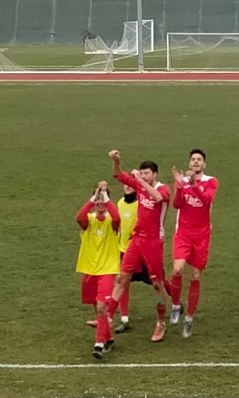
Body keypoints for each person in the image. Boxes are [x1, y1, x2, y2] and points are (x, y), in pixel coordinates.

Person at [105, 150, 172, 343]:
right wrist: (116, 161)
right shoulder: (140, 185)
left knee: (157, 284)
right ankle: (108, 317)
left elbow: (158, 198)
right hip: (136, 240)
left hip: (153, 242)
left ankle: (161, 321)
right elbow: (118, 175)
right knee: (121, 278)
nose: (143, 176)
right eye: (141, 173)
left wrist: (140, 182)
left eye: (147, 173)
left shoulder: (163, 188)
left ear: (155, 174)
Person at [168, 148, 219, 338]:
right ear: (189, 163)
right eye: (193, 159)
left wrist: (194, 184)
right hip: (183, 233)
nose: (196, 162)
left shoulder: (211, 181)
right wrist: (180, 186)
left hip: (202, 236)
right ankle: (175, 305)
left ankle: (189, 318)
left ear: (204, 164)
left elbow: (206, 200)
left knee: (195, 276)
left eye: (199, 160)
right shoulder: (181, 181)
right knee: (177, 269)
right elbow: (177, 204)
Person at [76, 181, 121, 359]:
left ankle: (99, 344)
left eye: (103, 200)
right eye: (98, 200)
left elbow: (117, 218)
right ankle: (108, 339)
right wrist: (93, 197)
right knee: (98, 307)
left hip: (107, 270)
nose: (101, 203)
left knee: (102, 306)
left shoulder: (112, 222)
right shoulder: (89, 221)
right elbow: (79, 217)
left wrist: (106, 197)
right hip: (89, 269)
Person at [108, 183, 151, 334]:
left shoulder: (141, 204)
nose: (127, 187)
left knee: (156, 279)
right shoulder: (120, 203)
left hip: (141, 251)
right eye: (125, 184)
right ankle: (124, 319)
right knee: (122, 281)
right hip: (123, 250)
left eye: (130, 185)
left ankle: (175, 300)